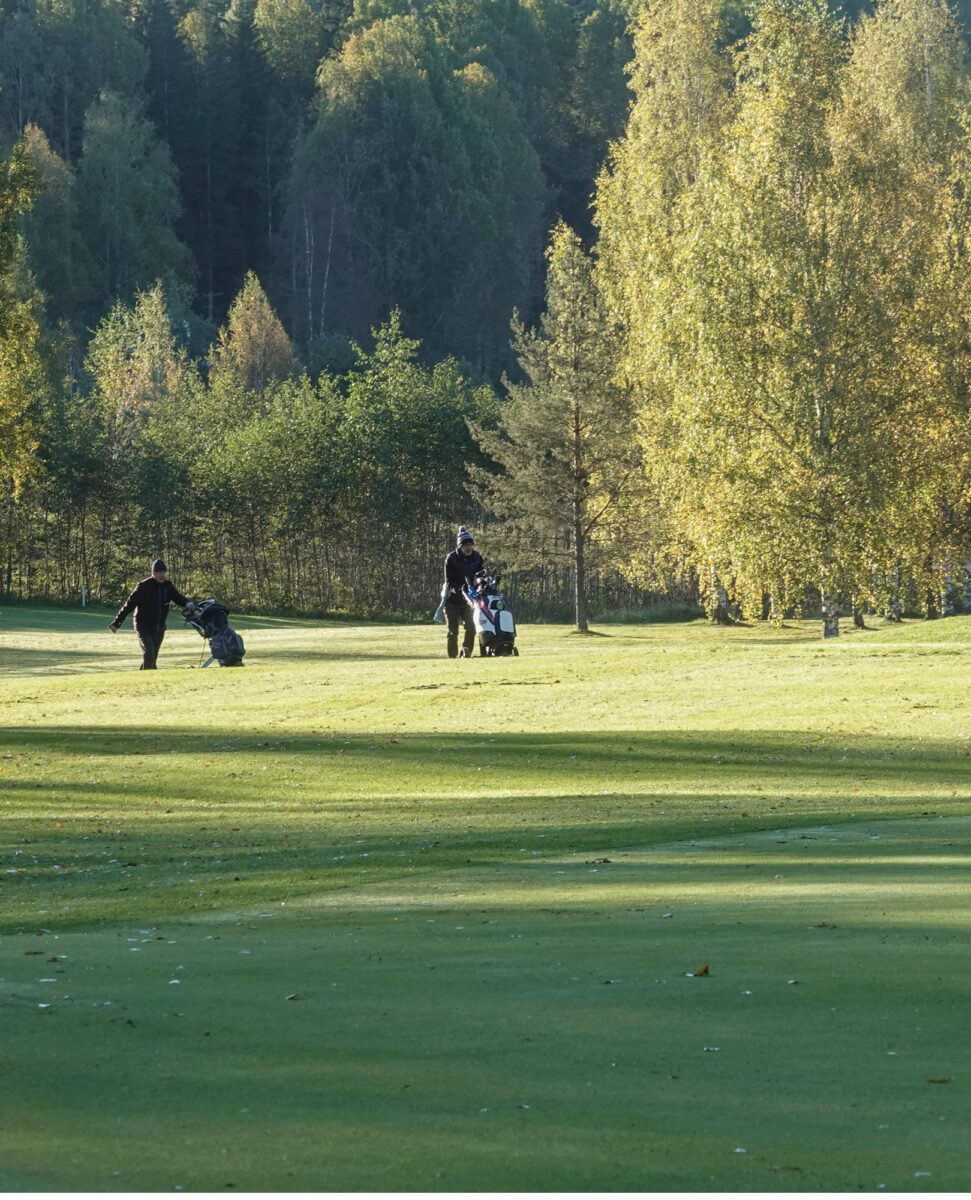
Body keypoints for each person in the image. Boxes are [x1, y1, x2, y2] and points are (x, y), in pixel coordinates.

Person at [109, 558, 190, 670]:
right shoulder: (143, 586)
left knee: (153, 656)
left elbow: (178, 598)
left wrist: (188, 604)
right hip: (143, 626)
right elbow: (129, 605)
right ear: (153, 574)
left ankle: (146, 677)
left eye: (164, 573)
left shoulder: (168, 586)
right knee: (149, 652)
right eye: (159, 573)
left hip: (159, 627)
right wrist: (116, 623)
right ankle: (148, 678)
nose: (162, 575)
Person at [442, 527, 484, 658]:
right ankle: (452, 657)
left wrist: (480, 584)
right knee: (453, 632)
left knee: (471, 628)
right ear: (460, 546)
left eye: (470, 544)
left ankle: (466, 653)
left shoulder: (477, 557)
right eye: (465, 545)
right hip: (452, 600)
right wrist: (460, 590)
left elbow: (480, 574)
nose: (468, 548)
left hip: (470, 601)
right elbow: (449, 581)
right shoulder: (451, 559)